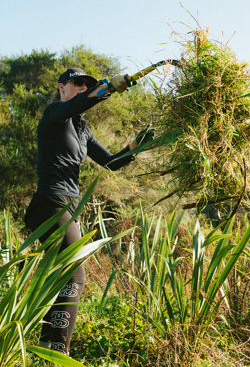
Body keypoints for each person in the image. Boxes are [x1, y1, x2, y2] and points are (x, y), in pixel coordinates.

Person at [24, 68, 150, 356]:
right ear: (62, 87)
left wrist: (135, 146)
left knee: (63, 278)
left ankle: (46, 345)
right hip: (50, 203)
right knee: (75, 278)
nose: (82, 87)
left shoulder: (82, 129)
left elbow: (111, 163)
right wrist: (106, 89)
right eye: (76, 83)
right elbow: (77, 105)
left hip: (68, 206)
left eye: (86, 84)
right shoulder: (55, 113)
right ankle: (58, 352)